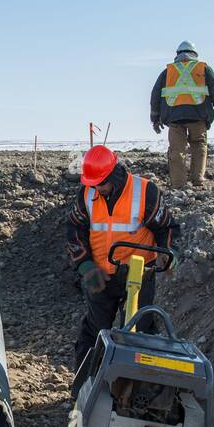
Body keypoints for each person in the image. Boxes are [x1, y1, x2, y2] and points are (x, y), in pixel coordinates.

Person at [66, 146, 177, 390]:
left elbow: (166, 227)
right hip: (101, 275)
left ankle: (136, 393)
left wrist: (167, 255)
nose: (98, 188)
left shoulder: (144, 191)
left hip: (139, 274)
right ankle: (84, 390)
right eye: (93, 184)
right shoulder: (86, 194)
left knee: (140, 333)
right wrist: (85, 266)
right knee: (95, 333)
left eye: (102, 183)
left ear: (115, 174)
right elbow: (75, 231)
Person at [149, 40, 214, 190]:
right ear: (195, 54)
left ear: (177, 54)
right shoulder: (203, 68)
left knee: (176, 151)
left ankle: (179, 185)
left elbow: (155, 96)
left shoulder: (168, 72)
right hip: (198, 117)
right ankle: (198, 180)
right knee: (199, 147)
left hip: (174, 119)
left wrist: (155, 119)